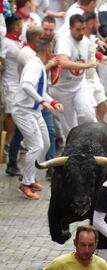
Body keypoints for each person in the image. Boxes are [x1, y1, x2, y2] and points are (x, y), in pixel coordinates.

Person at [14, 38, 64, 200]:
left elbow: (38, 90)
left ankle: (30, 178)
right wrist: (42, 101)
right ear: (48, 49)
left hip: (34, 110)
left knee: (46, 143)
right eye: (53, 48)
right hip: (23, 110)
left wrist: (53, 102)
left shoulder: (39, 65)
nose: (54, 52)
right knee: (36, 146)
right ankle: (26, 184)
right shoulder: (35, 66)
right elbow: (26, 85)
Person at [50, 14, 97, 137]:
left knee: (88, 115)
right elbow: (64, 63)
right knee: (69, 127)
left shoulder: (86, 42)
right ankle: (73, 149)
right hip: (61, 89)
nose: (81, 32)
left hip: (79, 85)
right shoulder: (64, 40)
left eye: (83, 29)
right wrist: (86, 66)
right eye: (78, 30)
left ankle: (86, 141)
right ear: (70, 28)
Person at [36, 225, 107, 270]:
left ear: (96, 244)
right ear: (75, 243)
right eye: (83, 245)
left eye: (90, 245)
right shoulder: (60, 264)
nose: (87, 250)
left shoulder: (101, 265)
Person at [2, 13, 23, 177]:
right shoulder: (6, 42)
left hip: (20, 83)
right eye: (19, 25)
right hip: (9, 83)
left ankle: (15, 141)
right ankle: (8, 142)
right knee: (10, 114)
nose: (21, 27)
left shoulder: (18, 41)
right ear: (14, 26)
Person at [83, 10, 107, 122]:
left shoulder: (91, 38)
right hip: (84, 80)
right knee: (90, 111)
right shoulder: (81, 40)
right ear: (91, 24)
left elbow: (92, 47)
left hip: (94, 77)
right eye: (97, 22)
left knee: (103, 105)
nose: (98, 25)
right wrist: (91, 64)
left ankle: (98, 128)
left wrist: (100, 56)